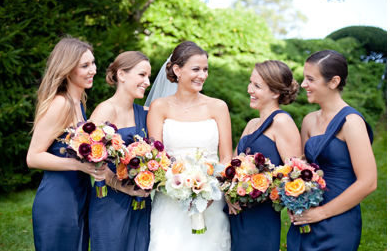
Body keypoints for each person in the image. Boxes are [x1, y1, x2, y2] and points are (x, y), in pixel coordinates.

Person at [146, 41, 233, 250]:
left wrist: (209, 188)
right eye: (196, 69)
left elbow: (226, 158)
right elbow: (156, 158)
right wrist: (180, 187)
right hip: (170, 201)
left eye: (205, 69)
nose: (202, 75)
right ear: (177, 70)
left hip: (211, 200)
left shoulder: (218, 107)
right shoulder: (159, 107)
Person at [286, 50, 376, 251]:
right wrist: (294, 202)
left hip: (338, 220)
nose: (303, 84)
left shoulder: (352, 123)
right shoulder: (309, 121)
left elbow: (368, 182)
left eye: (310, 79)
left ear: (334, 82)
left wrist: (322, 212)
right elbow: (301, 171)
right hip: (305, 218)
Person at [26, 36, 107, 251]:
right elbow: (33, 157)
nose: (93, 70)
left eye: (93, 62)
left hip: (79, 194)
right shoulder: (60, 104)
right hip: (59, 199)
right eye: (85, 65)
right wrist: (80, 166)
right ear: (68, 69)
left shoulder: (78, 103)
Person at [226, 60, 302, 251]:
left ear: (275, 93)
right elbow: (232, 168)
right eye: (251, 82)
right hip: (235, 212)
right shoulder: (251, 123)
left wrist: (260, 186)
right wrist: (229, 192)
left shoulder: (282, 122)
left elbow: (293, 175)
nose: (249, 89)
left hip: (261, 217)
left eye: (257, 86)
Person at [88, 51, 153, 251]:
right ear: (121, 75)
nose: (147, 82)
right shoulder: (105, 110)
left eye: (149, 76)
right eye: (142, 75)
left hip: (141, 200)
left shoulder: (146, 113)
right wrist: (124, 187)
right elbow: (91, 159)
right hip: (110, 201)